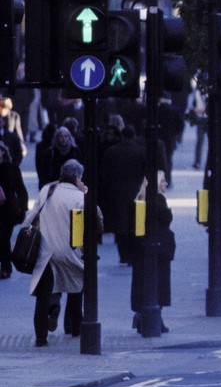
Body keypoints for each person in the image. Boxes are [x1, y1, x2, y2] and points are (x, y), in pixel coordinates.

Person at [27, 159, 90, 345]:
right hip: (70, 251)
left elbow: (33, 215)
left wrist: (24, 230)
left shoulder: (48, 190)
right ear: (78, 177)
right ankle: (74, 327)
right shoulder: (79, 197)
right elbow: (82, 229)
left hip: (46, 252)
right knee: (76, 287)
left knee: (43, 296)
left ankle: (40, 337)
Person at [130, 173, 175, 335]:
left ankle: (144, 315)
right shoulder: (158, 199)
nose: (166, 183)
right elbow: (166, 218)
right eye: (162, 181)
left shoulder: (140, 199)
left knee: (144, 283)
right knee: (158, 284)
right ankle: (152, 317)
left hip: (143, 250)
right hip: (158, 249)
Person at [99, 124, 146, 264]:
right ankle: (133, 255)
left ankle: (123, 255)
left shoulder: (111, 151)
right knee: (134, 224)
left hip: (116, 192)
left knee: (120, 225)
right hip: (136, 191)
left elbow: (104, 174)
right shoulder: (141, 151)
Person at [0, 141, 28, 277]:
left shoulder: (12, 168)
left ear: (4, 152)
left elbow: (21, 189)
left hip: (8, 210)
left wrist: (23, 208)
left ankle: (6, 266)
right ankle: (6, 263)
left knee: (4, 238)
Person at [0, 96, 27, 166]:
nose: (2, 110)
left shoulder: (14, 116)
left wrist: (23, 146)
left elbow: (19, 132)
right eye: (1, 107)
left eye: (4, 108)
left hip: (10, 143)